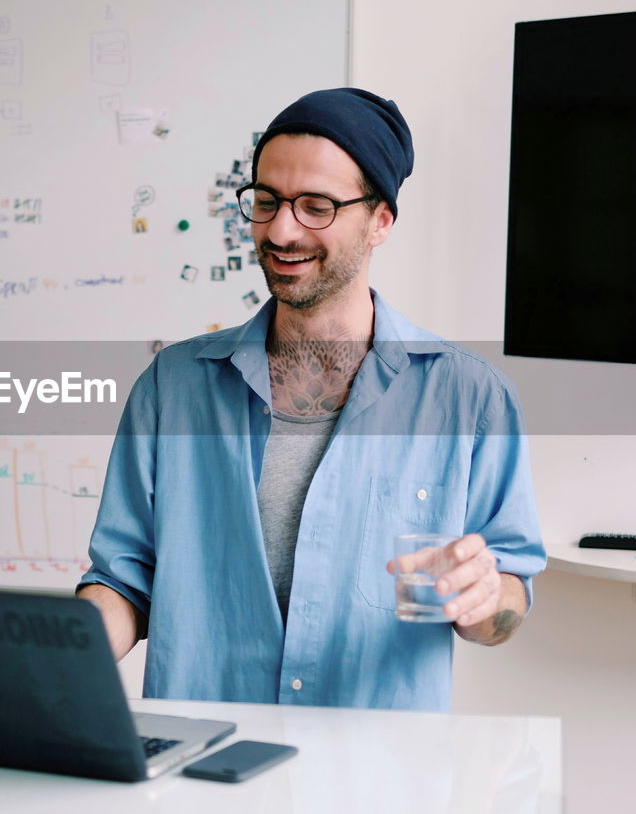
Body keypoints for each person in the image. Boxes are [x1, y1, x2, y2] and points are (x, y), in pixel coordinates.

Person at [77, 88, 546, 711]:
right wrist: (54, 652)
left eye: (316, 206)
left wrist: (488, 600)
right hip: (204, 770)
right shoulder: (172, 387)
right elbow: (123, 583)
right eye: (266, 202)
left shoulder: (468, 398)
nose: (281, 229)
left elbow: (507, 593)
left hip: (377, 776)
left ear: (380, 220)